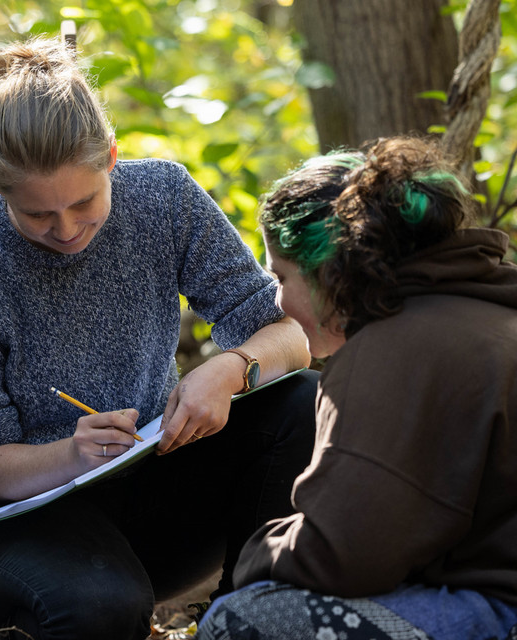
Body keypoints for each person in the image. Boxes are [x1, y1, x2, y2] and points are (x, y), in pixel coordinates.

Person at [0, 36, 319, 639]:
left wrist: (232, 367)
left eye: (84, 202)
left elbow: (290, 337)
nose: (67, 229)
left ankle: (245, 620)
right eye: (37, 215)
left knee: (301, 401)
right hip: (6, 524)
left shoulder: (164, 199)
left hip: (147, 492)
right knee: (101, 603)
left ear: (111, 156)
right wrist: (70, 456)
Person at [197, 136, 517, 639]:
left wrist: (255, 554)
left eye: (281, 276)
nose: (280, 302)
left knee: (239, 620)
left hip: (501, 612)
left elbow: (341, 555)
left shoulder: (390, 351)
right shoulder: (491, 313)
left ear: (329, 271)